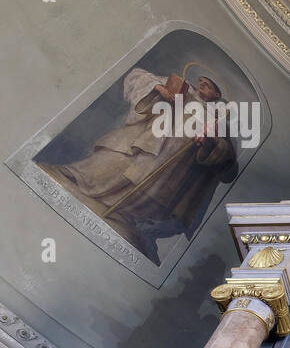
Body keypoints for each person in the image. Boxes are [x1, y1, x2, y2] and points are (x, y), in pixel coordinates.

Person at [45, 67, 237, 263]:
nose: (201, 85)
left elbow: (227, 160)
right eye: (201, 81)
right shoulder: (183, 90)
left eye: (207, 85)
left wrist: (211, 141)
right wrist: (158, 89)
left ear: (217, 94)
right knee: (107, 167)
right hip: (143, 146)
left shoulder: (217, 120)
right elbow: (137, 77)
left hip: (169, 171)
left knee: (141, 196)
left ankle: (124, 218)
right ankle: (75, 178)